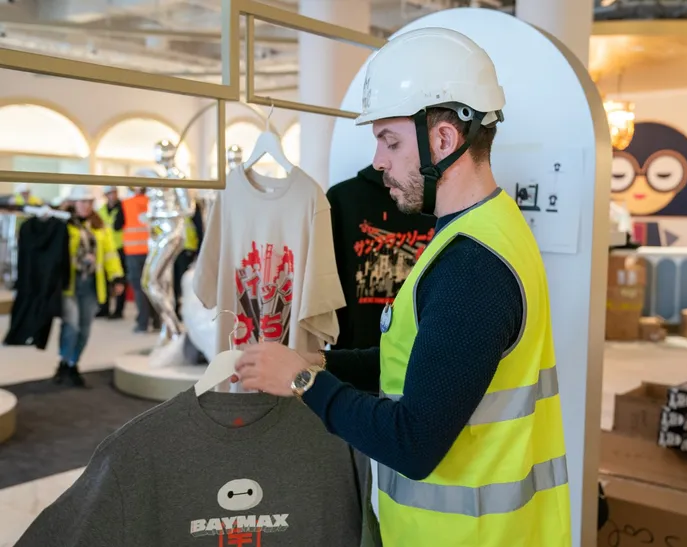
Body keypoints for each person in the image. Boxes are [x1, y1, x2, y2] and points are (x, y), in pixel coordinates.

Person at [233, 28, 571, 546]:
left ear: (442, 139)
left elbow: (412, 442)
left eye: (389, 141)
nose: (378, 161)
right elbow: (419, 361)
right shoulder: (482, 228)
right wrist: (321, 362)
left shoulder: (472, 266)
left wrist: (304, 385)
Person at [54, 186, 124, 387]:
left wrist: (117, 277)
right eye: (82, 202)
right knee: (71, 326)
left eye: (89, 202)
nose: (86, 206)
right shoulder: (64, 225)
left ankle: (73, 363)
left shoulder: (99, 226)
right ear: (73, 203)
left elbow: (110, 253)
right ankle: (63, 362)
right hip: (70, 285)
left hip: (92, 285)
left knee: (84, 329)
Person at [121, 186, 160, 332]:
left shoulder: (126, 204)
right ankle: (157, 321)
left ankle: (142, 323)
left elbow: (117, 225)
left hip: (134, 252)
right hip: (153, 251)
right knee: (153, 285)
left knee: (138, 288)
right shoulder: (154, 202)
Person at [96, 186, 127, 319]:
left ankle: (119, 310)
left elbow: (120, 225)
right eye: (109, 193)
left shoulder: (123, 208)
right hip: (105, 249)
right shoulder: (101, 210)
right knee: (104, 279)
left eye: (114, 193)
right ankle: (104, 308)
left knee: (119, 280)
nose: (112, 196)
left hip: (120, 247)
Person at [172, 201, 203, 320]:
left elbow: (199, 228)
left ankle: (186, 309)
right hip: (173, 249)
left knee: (184, 282)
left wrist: (199, 251)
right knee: (173, 282)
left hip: (187, 249)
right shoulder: (171, 205)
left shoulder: (192, 205)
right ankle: (175, 309)